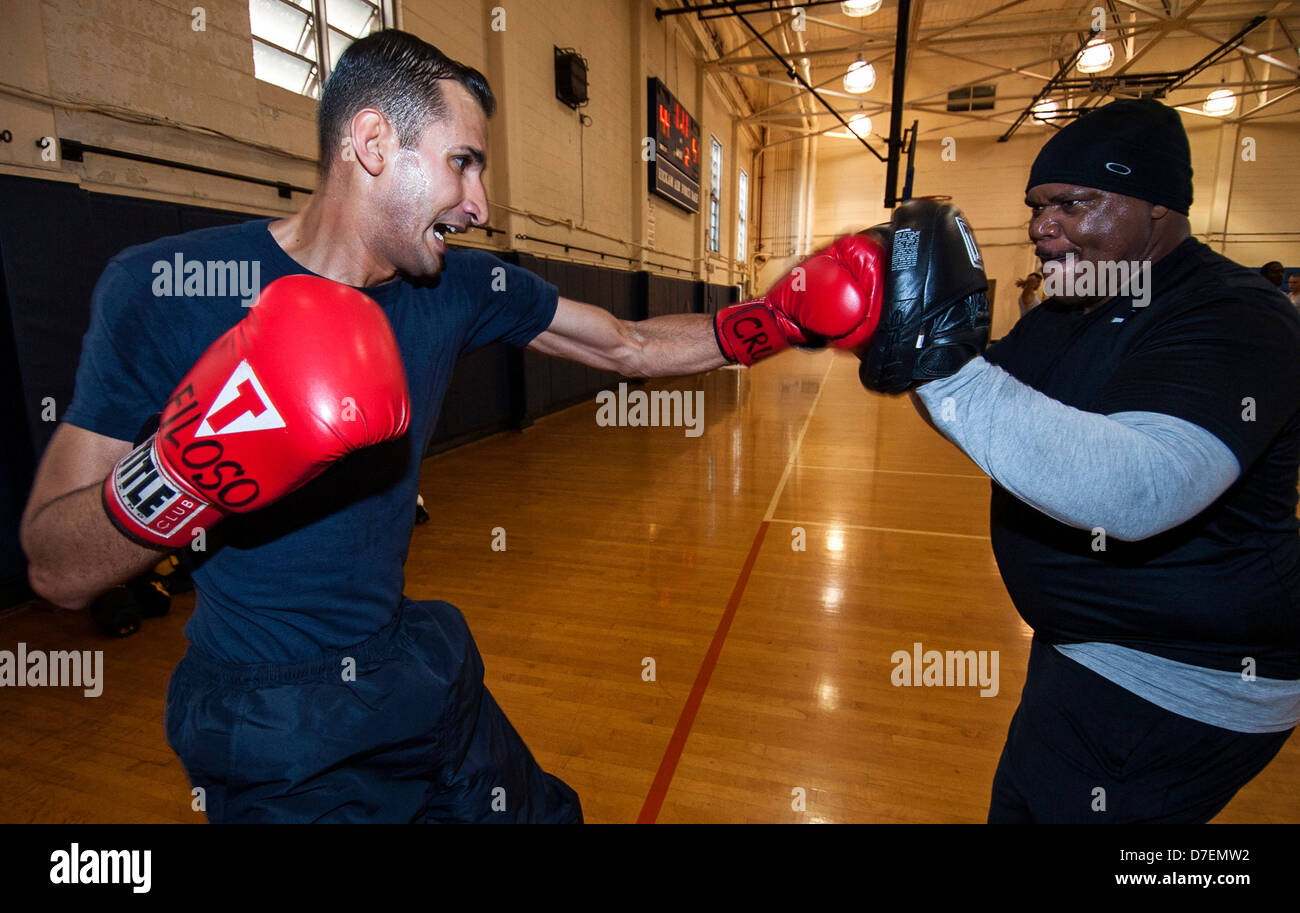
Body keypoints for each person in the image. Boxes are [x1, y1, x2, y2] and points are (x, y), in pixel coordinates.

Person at [19, 30, 898, 822]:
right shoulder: (164, 285)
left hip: (410, 669)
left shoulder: (461, 288)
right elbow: (55, 568)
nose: (479, 204)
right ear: (372, 144)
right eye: (464, 164)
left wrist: (779, 322)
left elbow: (629, 344)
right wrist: (190, 470)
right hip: (270, 725)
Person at [885, 97, 1300, 823]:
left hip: (1174, 681)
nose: (1043, 229)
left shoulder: (1236, 314)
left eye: (1073, 203)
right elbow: (982, 411)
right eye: (1038, 207)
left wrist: (940, 361)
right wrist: (913, 350)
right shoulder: (1065, 315)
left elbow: (1139, 491)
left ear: (1159, 208)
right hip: (1089, 652)